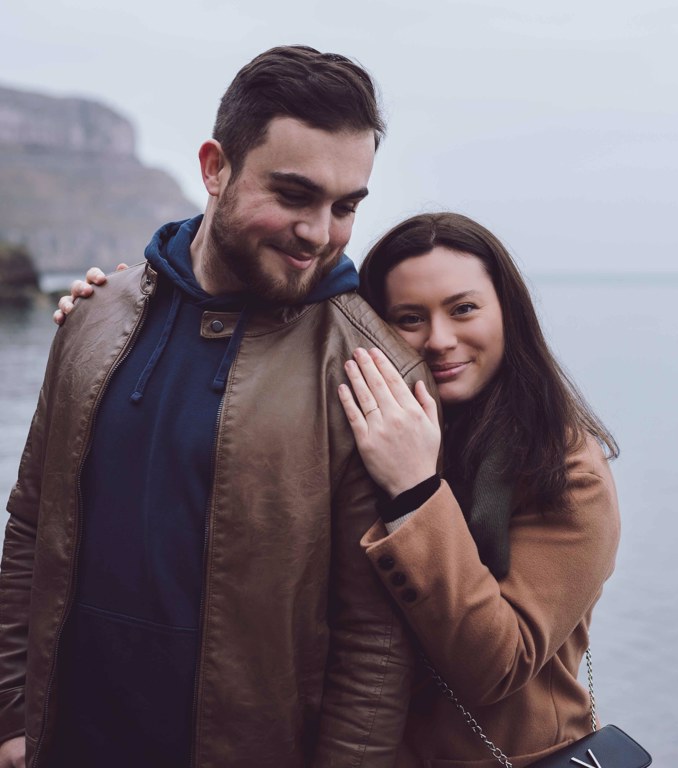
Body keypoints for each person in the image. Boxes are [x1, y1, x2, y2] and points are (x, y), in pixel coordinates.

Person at [0, 46, 438, 768]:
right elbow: (29, 526)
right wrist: (15, 717)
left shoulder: (372, 370)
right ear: (215, 167)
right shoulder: (93, 317)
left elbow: (373, 639)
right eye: (295, 194)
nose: (320, 232)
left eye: (346, 206)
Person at [337, 212, 621, 766]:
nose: (440, 340)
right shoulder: (360, 434)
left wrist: (415, 492)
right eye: (410, 317)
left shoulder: (568, 472)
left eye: (463, 309)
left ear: (507, 312)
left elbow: (498, 664)